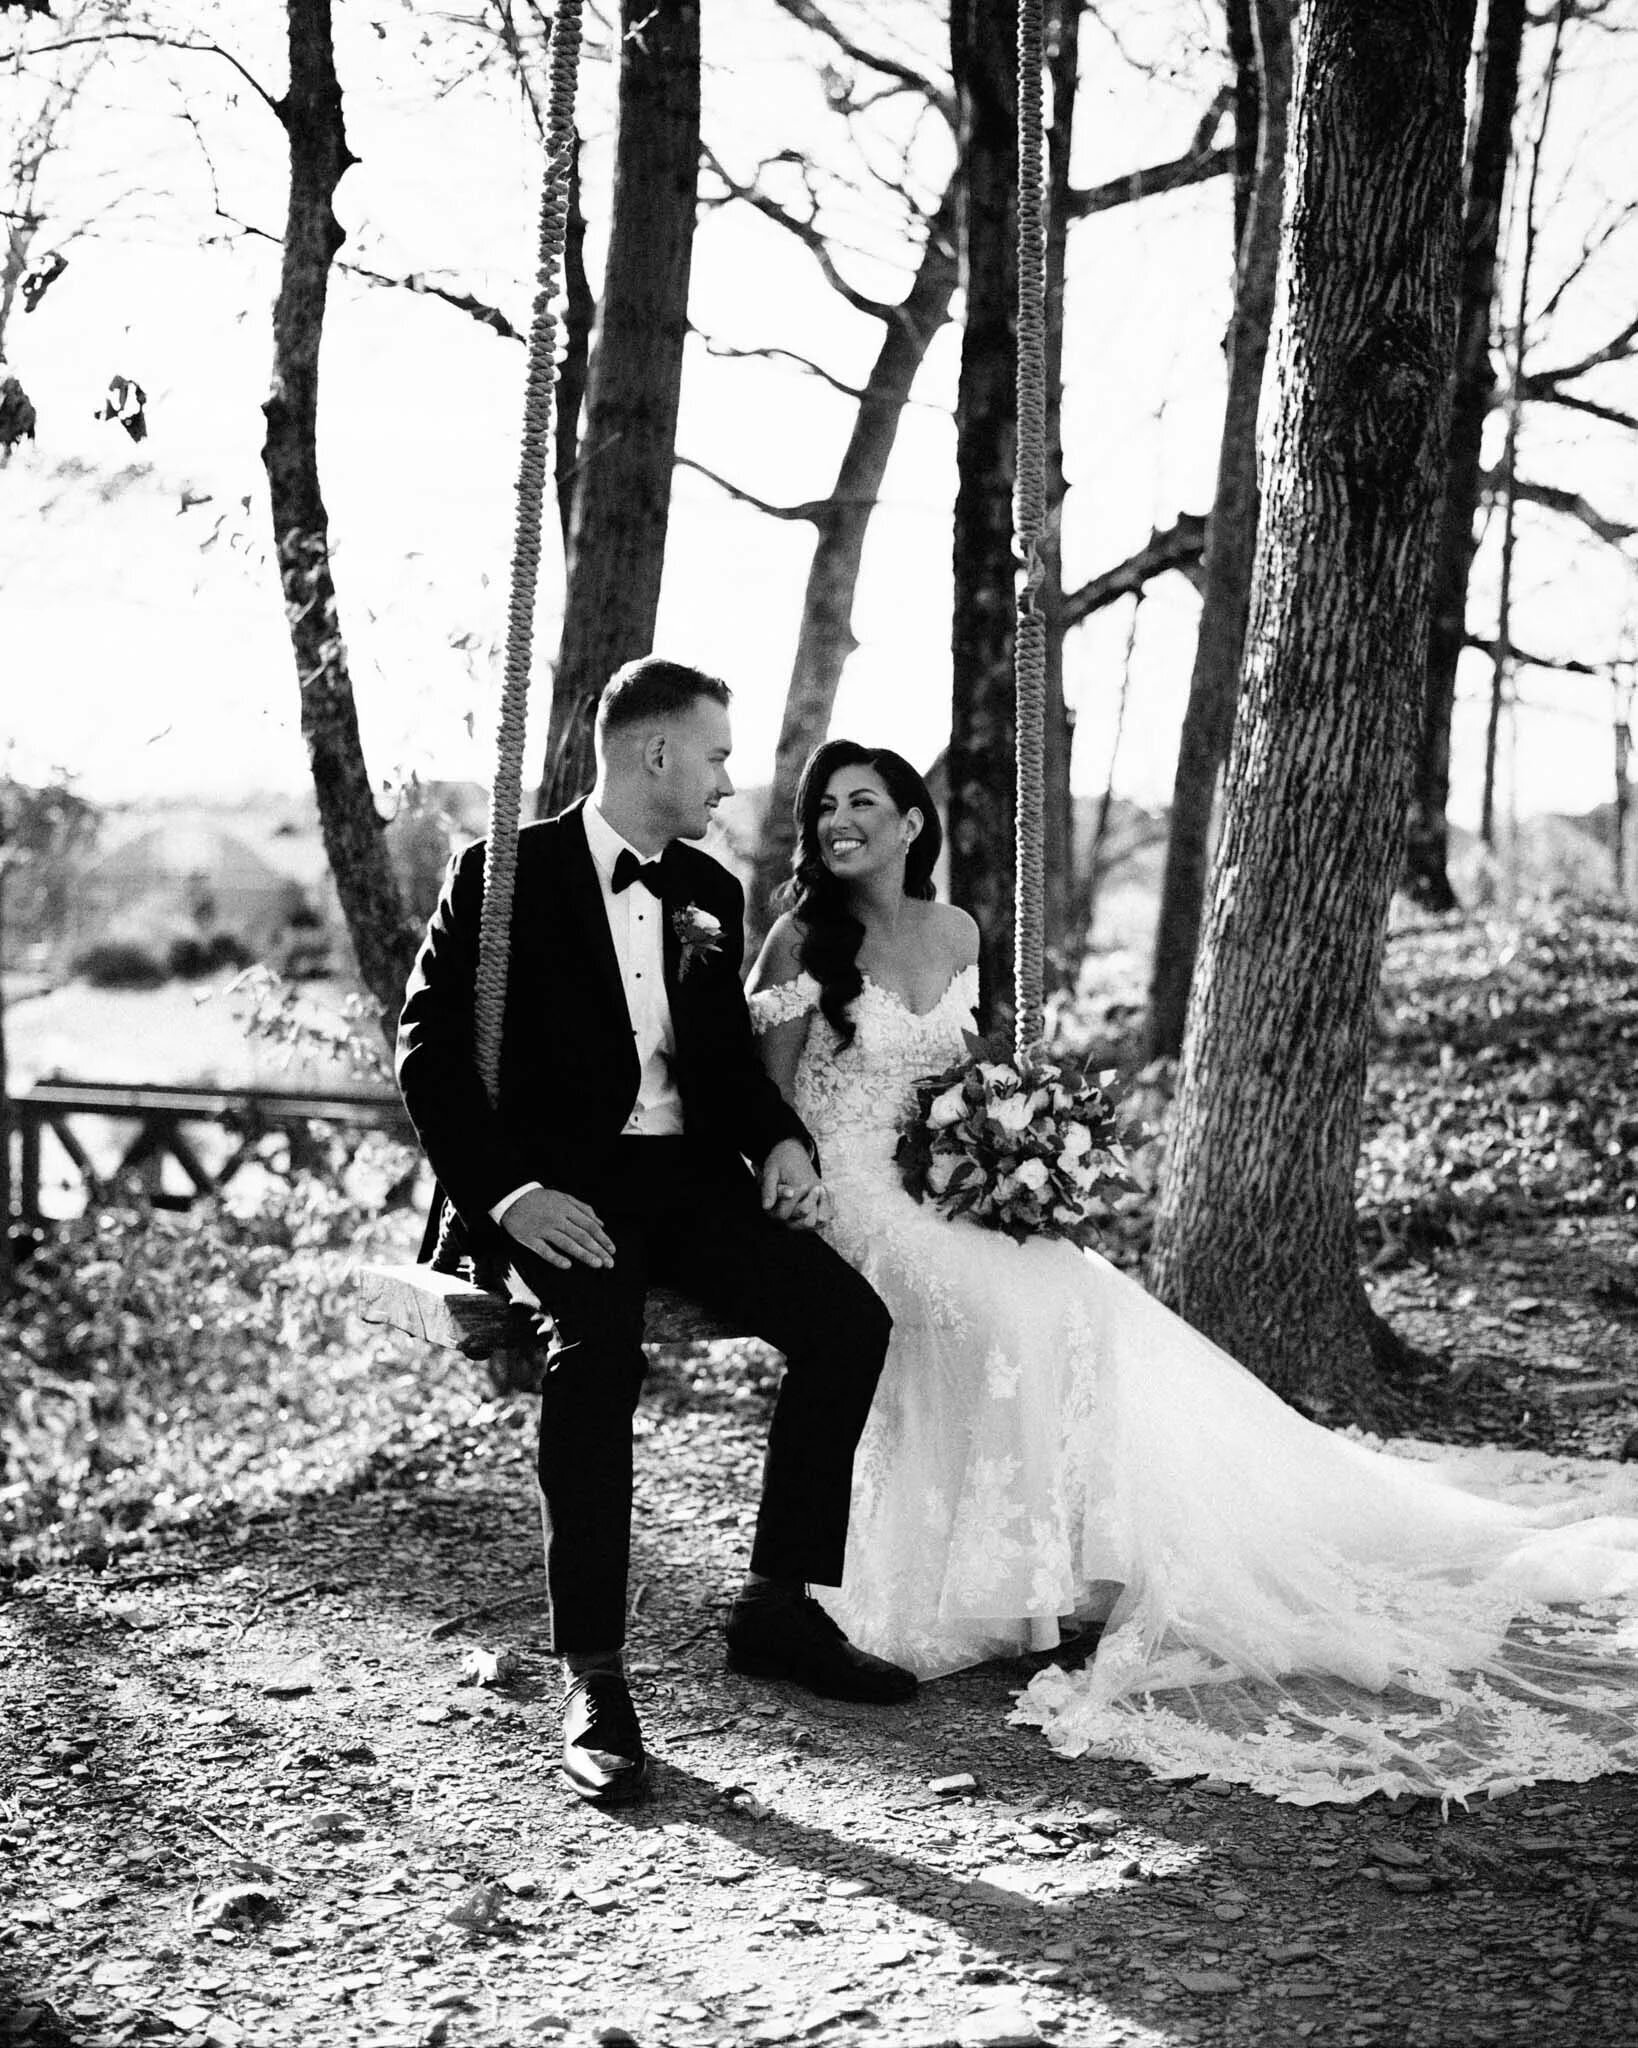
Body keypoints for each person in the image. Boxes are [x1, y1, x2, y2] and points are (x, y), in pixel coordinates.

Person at [745, 739, 1638, 1804]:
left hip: (932, 1183)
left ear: (910, 821)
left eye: (863, 801)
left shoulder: (957, 930)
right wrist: (804, 1184)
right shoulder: (800, 939)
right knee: (983, 1303)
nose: (840, 819)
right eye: (824, 805)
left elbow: (963, 1079)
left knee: (1074, 1294)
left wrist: (1006, 1156)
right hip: (845, 1194)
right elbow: (769, 1108)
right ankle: (977, 1585)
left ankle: (1063, 1574)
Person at [396, 663, 915, 1808]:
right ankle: (595, 1676)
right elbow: (427, 1054)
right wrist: (512, 1195)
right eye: (720, 755)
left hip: (683, 1178)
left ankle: (777, 1607)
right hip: (558, 1187)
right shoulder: (502, 874)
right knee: (599, 1351)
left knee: (847, 1322)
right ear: (658, 756)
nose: (733, 779)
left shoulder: (708, 889)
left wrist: (782, 1141)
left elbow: (724, 1059)